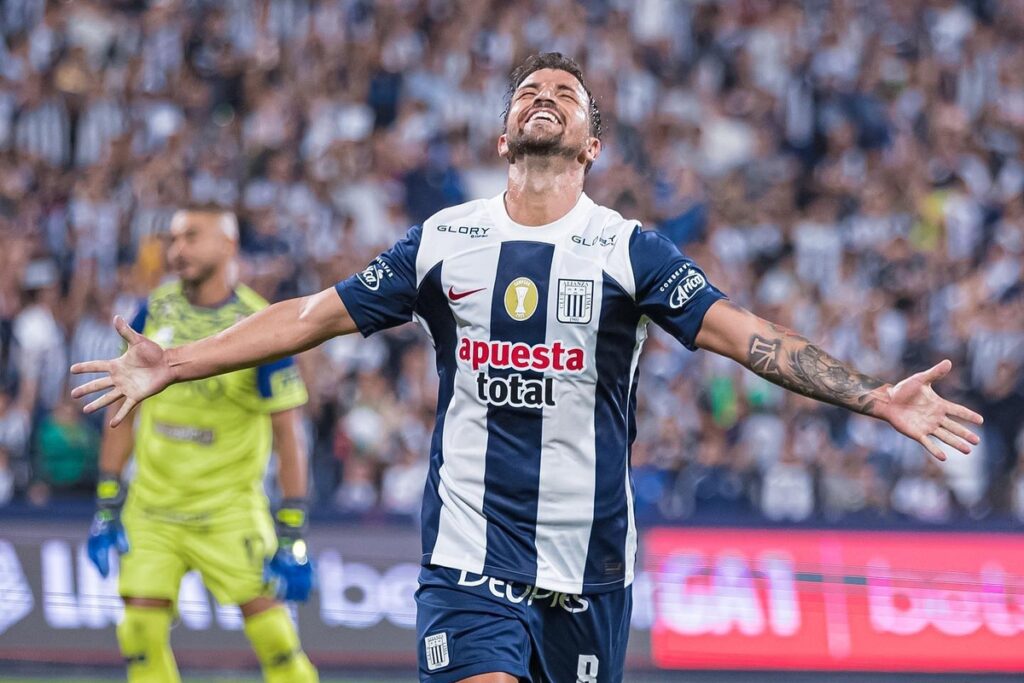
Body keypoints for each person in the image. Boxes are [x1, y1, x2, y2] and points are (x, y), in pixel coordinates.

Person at [72, 54, 983, 683]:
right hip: (468, 555)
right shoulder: (445, 239)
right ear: (506, 135)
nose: (544, 94)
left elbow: (743, 335)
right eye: (527, 90)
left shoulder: (630, 250)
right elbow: (310, 316)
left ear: (592, 145)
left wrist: (870, 396)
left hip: (590, 567)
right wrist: (177, 360)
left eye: (567, 91)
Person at [83, 206, 319, 683]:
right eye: (173, 238)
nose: (177, 250)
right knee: (139, 638)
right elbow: (120, 410)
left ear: (228, 244)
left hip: (228, 510)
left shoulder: (259, 323)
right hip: (152, 510)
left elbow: (288, 433)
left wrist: (292, 526)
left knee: (276, 643)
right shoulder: (154, 310)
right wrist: (108, 501)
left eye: (191, 237)